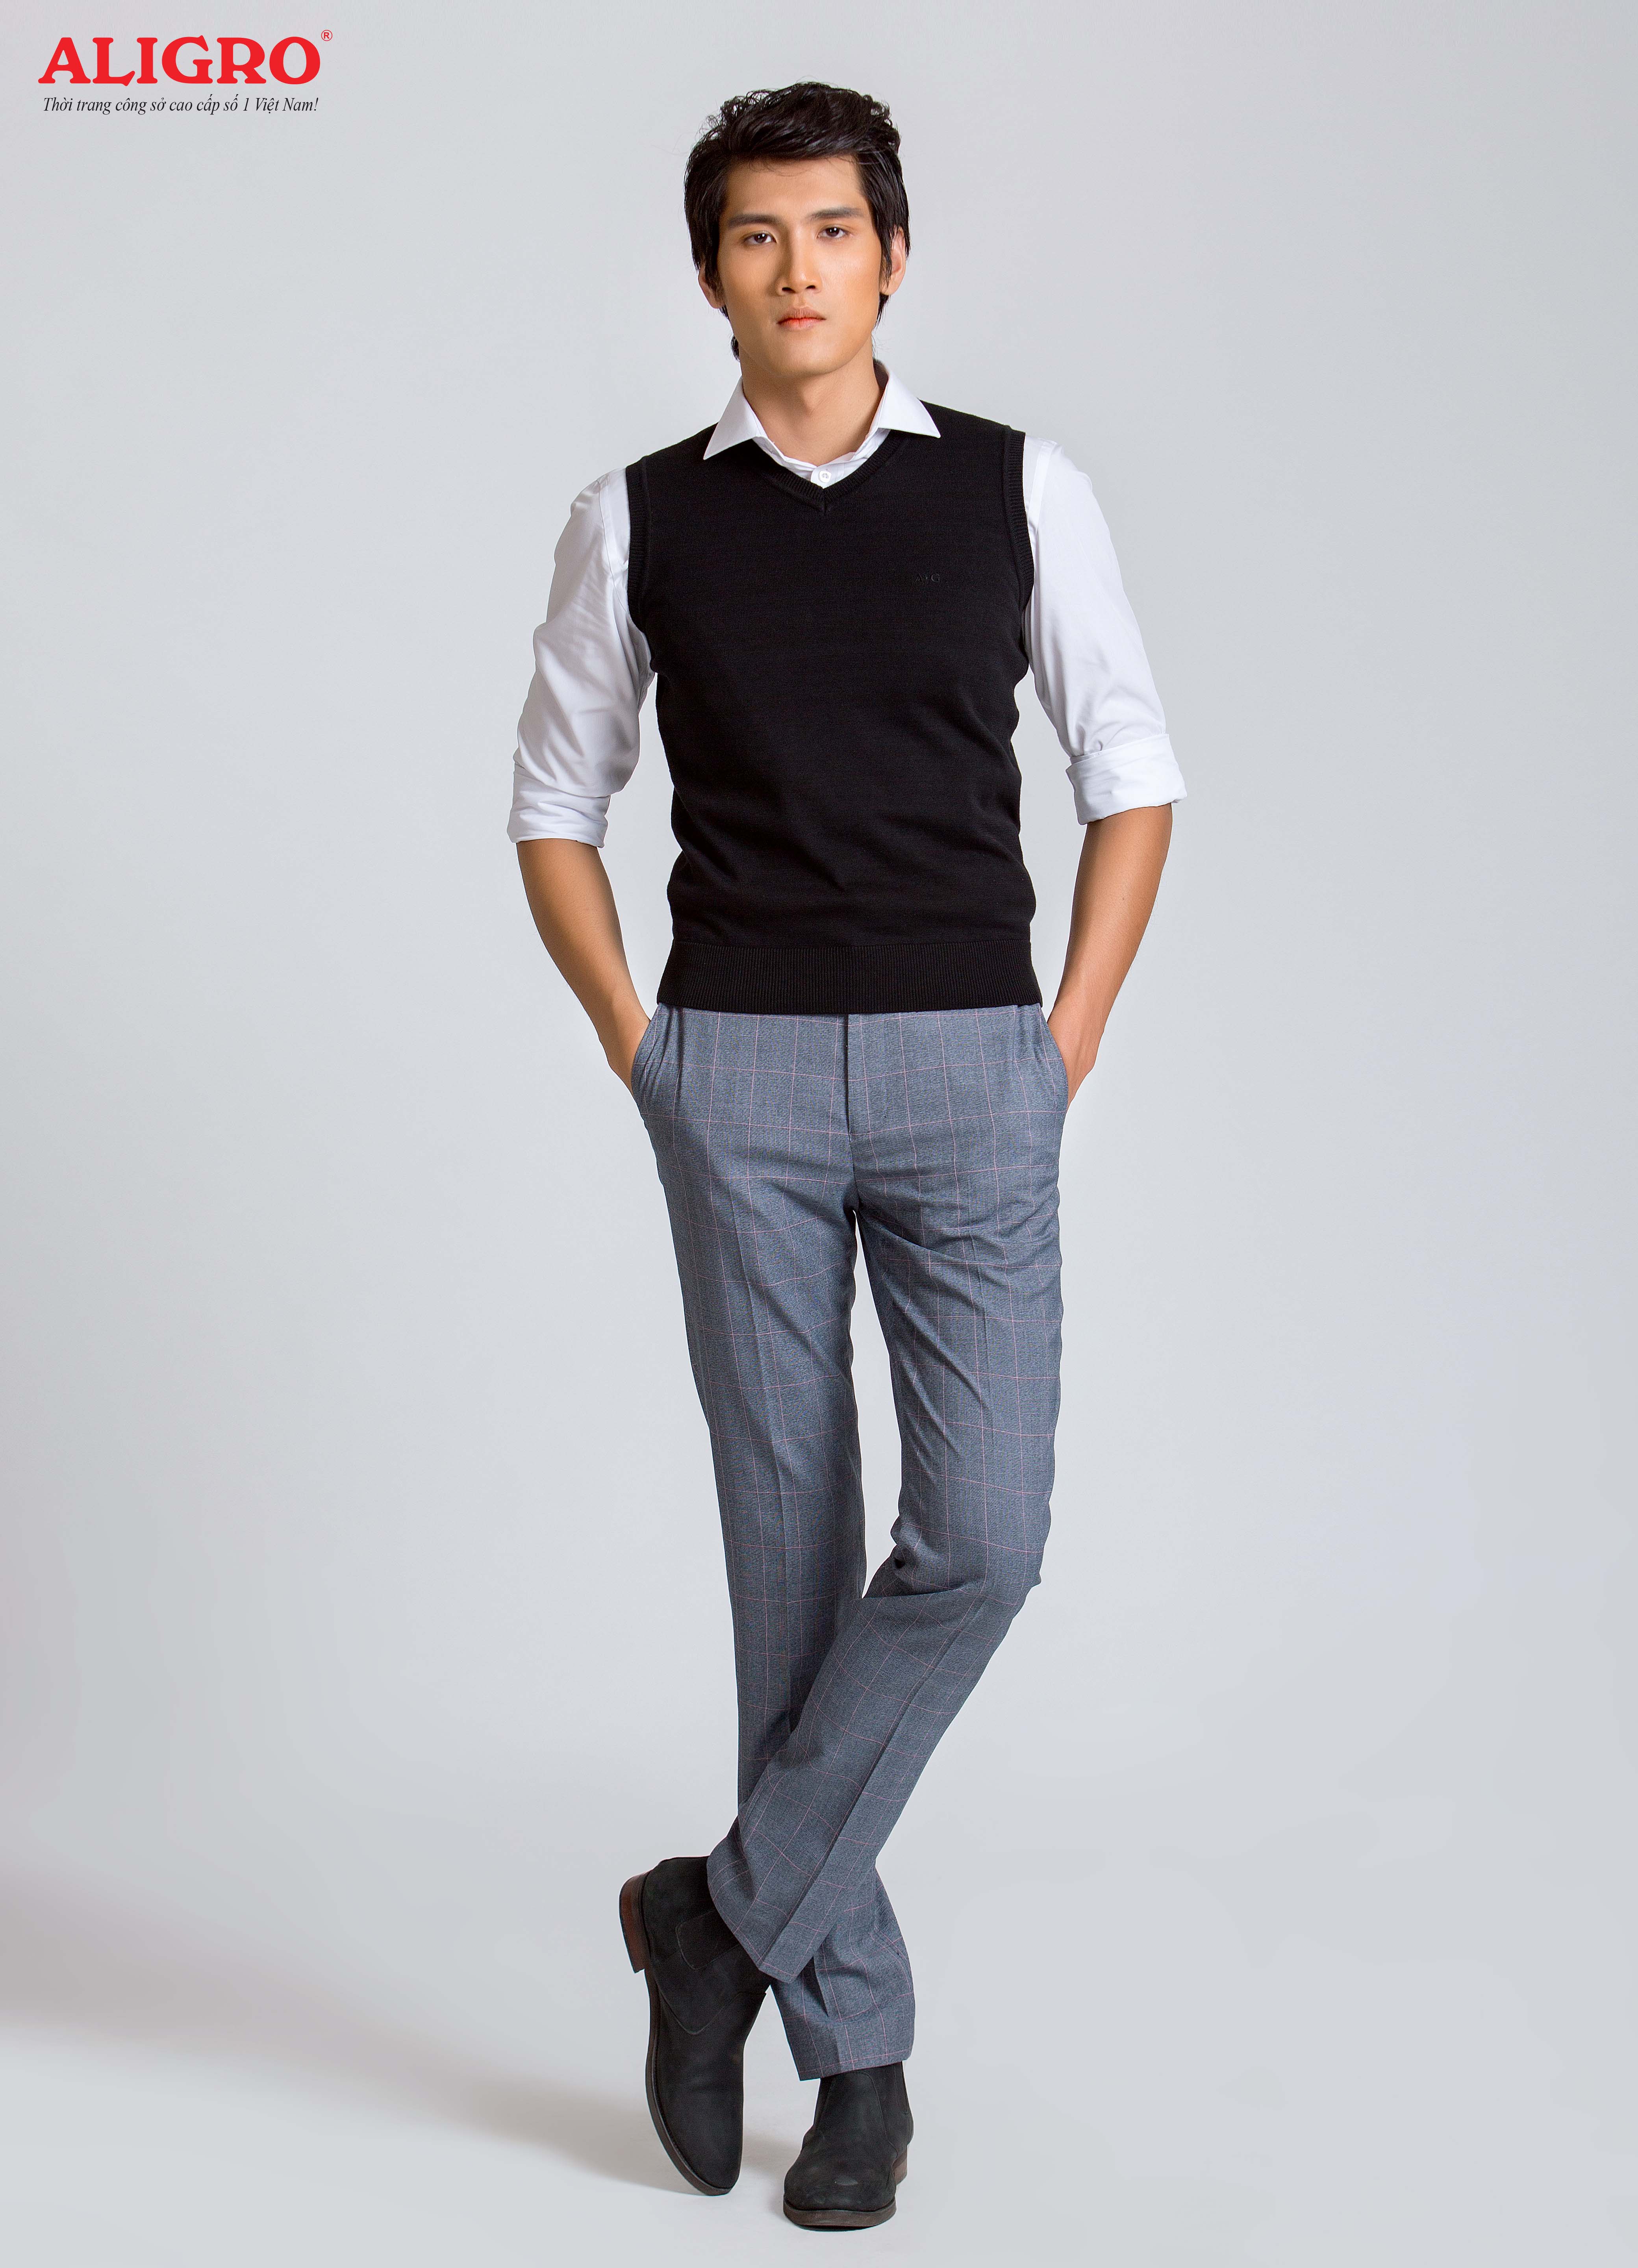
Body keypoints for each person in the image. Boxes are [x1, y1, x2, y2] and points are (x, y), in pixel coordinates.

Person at [508, 81, 1184, 2231]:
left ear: (894, 256)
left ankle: (714, 1917)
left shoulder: (1017, 489)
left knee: (982, 1532)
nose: (797, 269)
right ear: (709, 273)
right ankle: (860, 2061)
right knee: (789, 1562)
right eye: (756, 235)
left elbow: (1133, 771)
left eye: (832, 230)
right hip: (743, 1076)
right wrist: (647, 1051)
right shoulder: (639, 520)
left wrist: (1061, 1044)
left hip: (980, 1061)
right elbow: (554, 806)